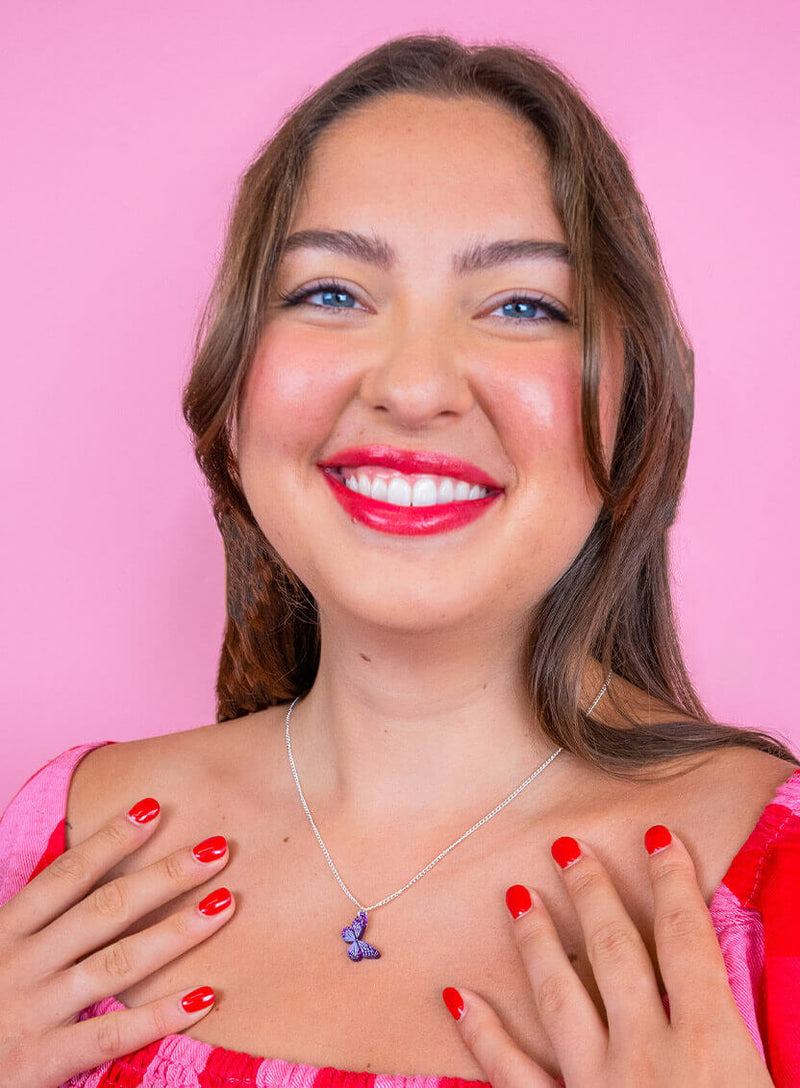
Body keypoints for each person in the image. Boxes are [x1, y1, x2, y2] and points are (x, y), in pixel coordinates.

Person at [1, 32, 798, 1088]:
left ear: (633, 397)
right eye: (331, 293)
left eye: (523, 305)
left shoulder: (772, 885)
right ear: (236, 379)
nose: (414, 388)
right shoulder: (61, 846)